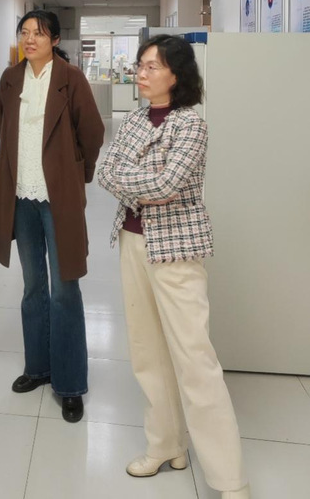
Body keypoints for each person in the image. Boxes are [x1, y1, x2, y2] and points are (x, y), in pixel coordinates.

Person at [97, 35, 249, 499]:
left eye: (151, 66)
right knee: (147, 353)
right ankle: (166, 446)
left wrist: (133, 179)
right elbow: (105, 172)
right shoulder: (133, 119)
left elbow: (167, 185)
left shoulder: (191, 125)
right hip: (132, 241)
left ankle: (230, 479)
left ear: (176, 75)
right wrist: (140, 181)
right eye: (140, 65)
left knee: (195, 360)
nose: (141, 74)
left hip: (176, 249)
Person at [0, 9, 104, 423]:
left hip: (58, 196)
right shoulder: (10, 78)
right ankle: (38, 366)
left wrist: (76, 174)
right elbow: (3, 126)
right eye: (24, 32)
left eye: (38, 33)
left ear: (54, 40)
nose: (29, 39)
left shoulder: (71, 79)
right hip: (21, 195)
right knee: (33, 286)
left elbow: (92, 133)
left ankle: (70, 383)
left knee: (64, 288)